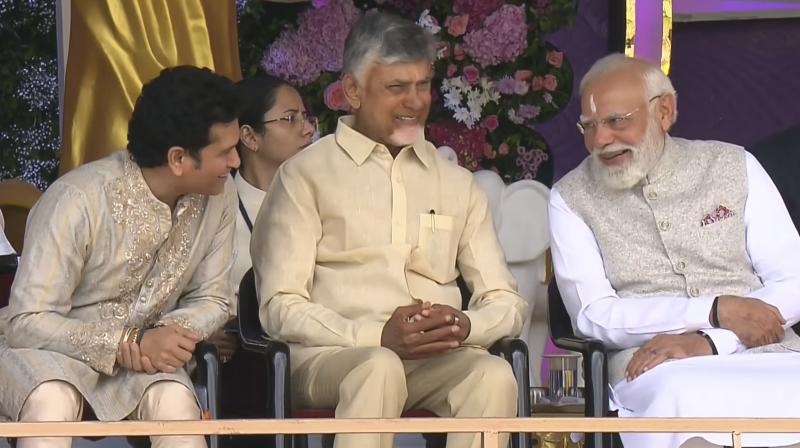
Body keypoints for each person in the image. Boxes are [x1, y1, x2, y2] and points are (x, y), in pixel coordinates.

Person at [251, 11, 527, 448]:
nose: (414, 102)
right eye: (397, 88)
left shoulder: (455, 182)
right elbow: (279, 306)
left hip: (433, 360)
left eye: (422, 86)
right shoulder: (304, 176)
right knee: (378, 366)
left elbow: (506, 301)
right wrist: (375, 336)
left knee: (493, 375)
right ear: (352, 91)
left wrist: (464, 325)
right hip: (334, 357)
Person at [549, 54, 800, 448]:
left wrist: (712, 339)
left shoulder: (733, 165)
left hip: (772, 353)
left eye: (617, 121)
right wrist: (713, 310)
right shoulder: (570, 197)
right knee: (683, 395)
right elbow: (593, 315)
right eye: (590, 126)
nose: (600, 141)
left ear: (664, 112)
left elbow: (794, 280)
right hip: (652, 364)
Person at [0, 65, 240, 448]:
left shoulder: (218, 196)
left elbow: (213, 298)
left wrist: (167, 336)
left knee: (176, 402)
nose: (235, 163)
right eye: (225, 152)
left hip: (146, 359)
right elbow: (26, 321)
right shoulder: (76, 200)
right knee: (52, 401)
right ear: (178, 158)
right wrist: (130, 340)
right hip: (48, 354)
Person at [211, 74, 314, 424]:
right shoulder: (215, 208)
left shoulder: (321, 200)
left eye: (305, 117)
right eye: (290, 118)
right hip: (244, 360)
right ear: (250, 137)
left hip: (314, 347)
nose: (307, 129)